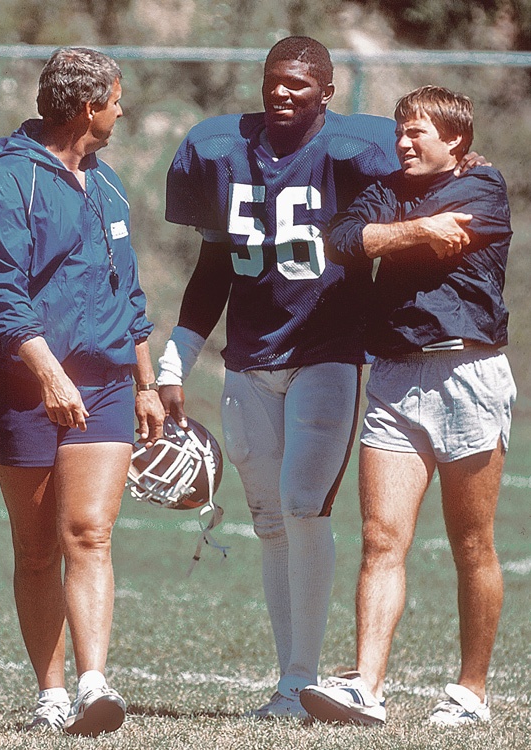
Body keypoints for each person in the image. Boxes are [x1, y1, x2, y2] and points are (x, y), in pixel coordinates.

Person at [157, 35, 403, 719]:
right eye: (274, 79)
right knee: (269, 519)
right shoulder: (219, 150)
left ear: (327, 91)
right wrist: (176, 353)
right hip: (248, 356)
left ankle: (301, 678)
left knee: (302, 504)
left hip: (327, 349)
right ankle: (286, 681)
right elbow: (212, 268)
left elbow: (423, 185)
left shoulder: (358, 150)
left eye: (300, 83)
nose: (283, 92)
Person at [299, 86, 516, 728]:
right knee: (380, 539)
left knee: (471, 542)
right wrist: (413, 228)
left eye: (418, 131)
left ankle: (470, 692)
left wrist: (384, 236)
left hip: (467, 372)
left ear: (455, 142)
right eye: (400, 130)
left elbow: (395, 240)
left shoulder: (485, 187)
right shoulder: (387, 188)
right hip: (394, 375)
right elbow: (338, 238)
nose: (404, 141)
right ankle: (366, 686)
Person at [0, 47, 165, 737]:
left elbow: (128, 293)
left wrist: (147, 385)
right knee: (38, 547)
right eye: (117, 97)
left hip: (105, 382)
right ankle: (50, 692)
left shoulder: (107, 186)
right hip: (19, 386)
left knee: (90, 532)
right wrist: (49, 374)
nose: (123, 109)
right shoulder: (7, 183)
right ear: (89, 106)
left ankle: (92, 685)